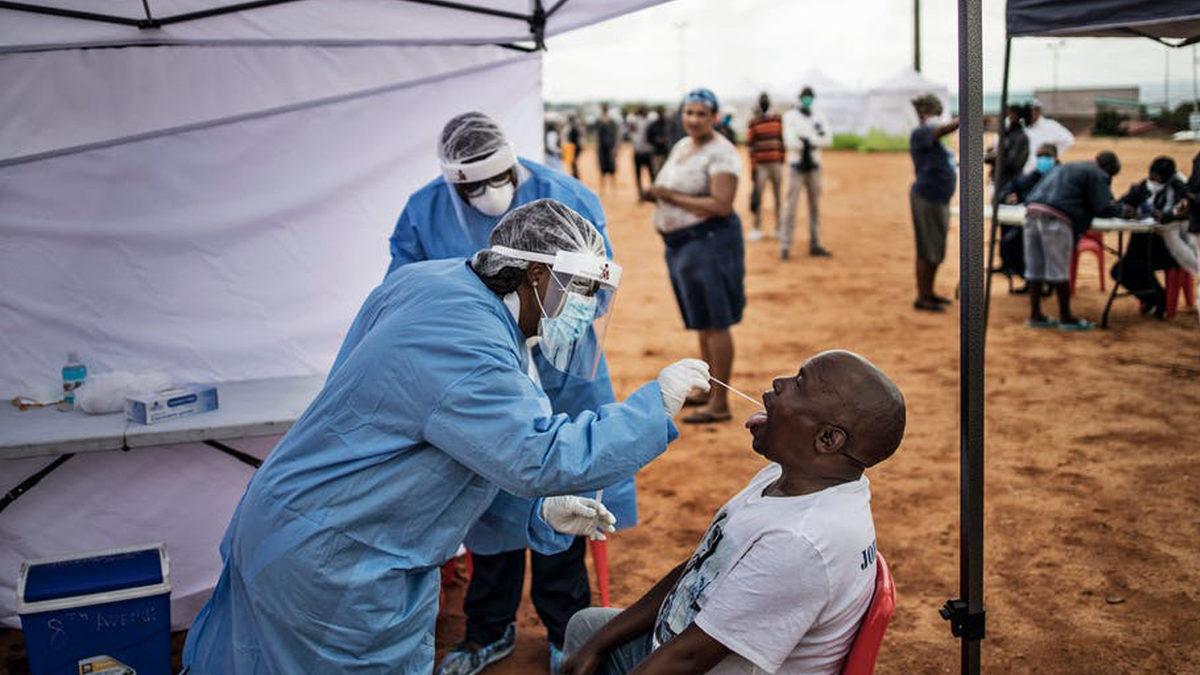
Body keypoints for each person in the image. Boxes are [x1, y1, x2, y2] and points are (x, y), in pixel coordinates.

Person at [182, 199, 713, 674]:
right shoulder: (467, 343)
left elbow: (446, 444)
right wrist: (654, 407)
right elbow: (539, 455)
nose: (585, 309)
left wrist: (534, 514)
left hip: (302, 522)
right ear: (534, 274)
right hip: (338, 561)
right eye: (580, 291)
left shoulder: (434, 283)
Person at [386, 112, 638, 674]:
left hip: (562, 370)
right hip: (481, 372)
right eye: (472, 187)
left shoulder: (567, 198)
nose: (488, 193)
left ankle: (564, 627)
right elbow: (407, 292)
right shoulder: (423, 213)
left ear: (514, 164)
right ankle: (489, 628)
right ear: (453, 184)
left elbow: (596, 284)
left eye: (498, 179)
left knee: (564, 488)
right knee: (487, 494)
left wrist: (550, 326)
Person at [560, 350, 906, 675]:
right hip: (689, 640)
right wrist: (598, 643)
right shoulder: (790, 479)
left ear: (828, 439)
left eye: (799, 384)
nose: (778, 382)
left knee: (587, 639)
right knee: (587, 628)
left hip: (700, 658)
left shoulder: (799, 542)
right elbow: (701, 566)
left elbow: (688, 657)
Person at [641, 88, 744, 426]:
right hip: (682, 245)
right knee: (702, 321)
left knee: (716, 322)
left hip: (709, 243)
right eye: (689, 112)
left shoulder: (722, 153)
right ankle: (707, 390)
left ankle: (720, 404)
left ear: (714, 117)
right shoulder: (683, 146)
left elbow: (721, 204)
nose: (694, 119)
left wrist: (668, 196)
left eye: (701, 114)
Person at [1023, 151, 1128, 331]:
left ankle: (1035, 315)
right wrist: (1123, 210)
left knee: (1035, 268)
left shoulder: (1067, 167)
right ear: (1108, 169)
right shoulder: (1097, 173)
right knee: (1059, 271)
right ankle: (1066, 318)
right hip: (1057, 219)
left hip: (1032, 214)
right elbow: (1103, 208)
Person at [1110, 156, 1191, 318]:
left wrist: (1165, 216)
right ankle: (1156, 299)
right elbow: (1121, 203)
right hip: (1144, 245)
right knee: (1119, 271)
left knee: (1133, 266)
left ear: (1167, 178)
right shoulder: (1143, 187)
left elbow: (1186, 213)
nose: (1152, 181)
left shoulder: (1180, 190)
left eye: (1157, 178)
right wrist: (1126, 210)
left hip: (1171, 249)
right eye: (1151, 176)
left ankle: (1159, 301)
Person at [908, 93, 959, 312]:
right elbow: (941, 130)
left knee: (935, 249)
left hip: (938, 197)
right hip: (928, 198)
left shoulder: (933, 139)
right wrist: (965, 119)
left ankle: (929, 292)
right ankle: (923, 296)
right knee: (927, 250)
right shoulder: (921, 133)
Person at [781, 86, 833, 259]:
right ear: (799, 98)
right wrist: (810, 142)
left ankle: (815, 243)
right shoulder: (790, 117)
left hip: (814, 166)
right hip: (796, 166)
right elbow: (790, 141)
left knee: (815, 207)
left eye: (810, 97)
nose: (807, 100)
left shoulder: (819, 116)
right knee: (791, 207)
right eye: (805, 97)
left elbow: (828, 139)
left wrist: (809, 141)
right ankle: (785, 246)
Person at [998, 143, 1060, 289]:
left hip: (1055, 225)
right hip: (1029, 223)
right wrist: (1007, 197)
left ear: (1055, 158)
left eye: (1047, 156)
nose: (1043, 160)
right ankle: (1029, 279)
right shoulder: (1032, 176)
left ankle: (1046, 283)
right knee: (1010, 242)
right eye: (1040, 156)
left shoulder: (1061, 176)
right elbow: (1010, 189)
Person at [746, 92, 785, 241]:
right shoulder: (754, 122)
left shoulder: (777, 119)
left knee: (778, 196)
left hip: (776, 164)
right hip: (761, 165)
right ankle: (756, 228)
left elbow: (781, 140)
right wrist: (753, 167)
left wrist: (781, 159)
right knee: (758, 197)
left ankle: (779, 228)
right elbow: (751, 146)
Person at [986, 103, 1030, 199]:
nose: (1006, 118)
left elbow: (1013, 162)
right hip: (997, 179)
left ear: (1017, 117)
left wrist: (995, 157)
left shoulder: (1021, 137)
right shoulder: (1003, 135)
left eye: (1009, 115)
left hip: (1010, 183)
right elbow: (989, 154)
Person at [1021, 99, 1075, 174]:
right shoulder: (1020, 126)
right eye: (1030, 110)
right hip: (1022, 170)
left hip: (1043, 170)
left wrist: (1051, 155)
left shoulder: (1050, 125)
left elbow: (1068, 140)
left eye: (1036, 110)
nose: (1033, 113)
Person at [630, 106, 656, 201]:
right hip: (641, 152)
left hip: (645, 152)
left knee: (650, 175)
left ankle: (651, 195)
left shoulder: (649, 122)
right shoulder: (636, 121)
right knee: (644, 175)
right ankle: (642, 195)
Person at [597, 103, 619, 193]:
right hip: (602, 148)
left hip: (610, 148)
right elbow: (597, 136)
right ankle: (603, 189)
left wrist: (615, 147)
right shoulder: (599, 121)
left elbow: (615, 135)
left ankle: (614, 188)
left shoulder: (612, 121)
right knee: (602, 168)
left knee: (612, 168)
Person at [646, 105, 671, 178]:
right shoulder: (652, 125)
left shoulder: (669, 124)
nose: (662, 115)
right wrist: (656, 140)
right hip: (656, 153)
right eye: (660, 113)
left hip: (667, 153)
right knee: (657, 175)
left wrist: (666, 140)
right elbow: (648, 139)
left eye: (663, 113)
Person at [567, 114, 584, 179]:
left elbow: (576, 139)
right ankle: (575, 174)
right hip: (575, 147)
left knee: (573, 161)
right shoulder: (574, 127)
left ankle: (575, 175)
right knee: (573, 162)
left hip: (575, 148)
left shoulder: (573, 128)